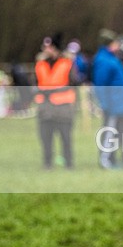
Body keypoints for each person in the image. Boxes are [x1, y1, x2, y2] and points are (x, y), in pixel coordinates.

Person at [34, 34, 79, 169]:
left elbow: (74, 83)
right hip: (45, 108)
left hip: (63, 108)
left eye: (48, 47)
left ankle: (69, 164)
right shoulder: (40, 64)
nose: (45, 50)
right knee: (46, 139)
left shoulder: (67, 63)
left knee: (66, 138)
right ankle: (47, 164)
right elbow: (35, 84)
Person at [91, 34, 123, 169]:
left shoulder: (111, 58)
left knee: (115, 134)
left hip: (119, 104)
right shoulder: (104, 60)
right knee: (109, 133)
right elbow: (101, 85)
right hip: (112, 105)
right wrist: (105, 104)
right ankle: (105, 160)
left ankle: (112, 159)